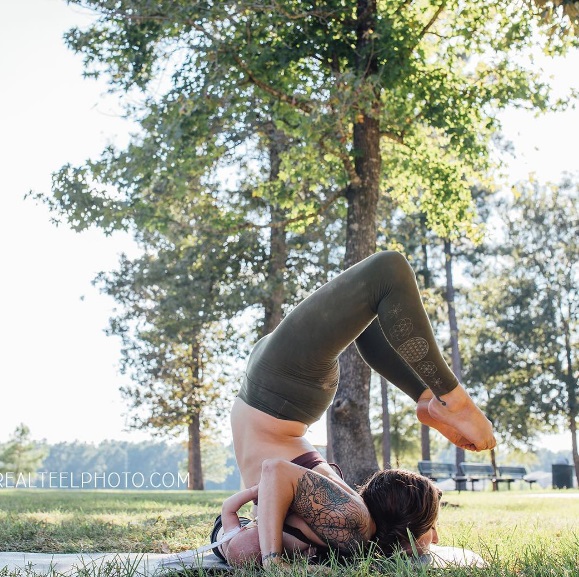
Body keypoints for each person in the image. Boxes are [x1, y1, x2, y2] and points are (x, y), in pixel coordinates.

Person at [227, 251, 496, 568]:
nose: (435, 538)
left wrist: (273, 559)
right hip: (274, 398)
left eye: (431, 525)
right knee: (367, 314)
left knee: (387, 272)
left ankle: (450, 399)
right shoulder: (348, 522)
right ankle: (427, 397)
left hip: (279, 392)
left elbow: (275, 470)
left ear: (404, 528)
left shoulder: (354, 520)